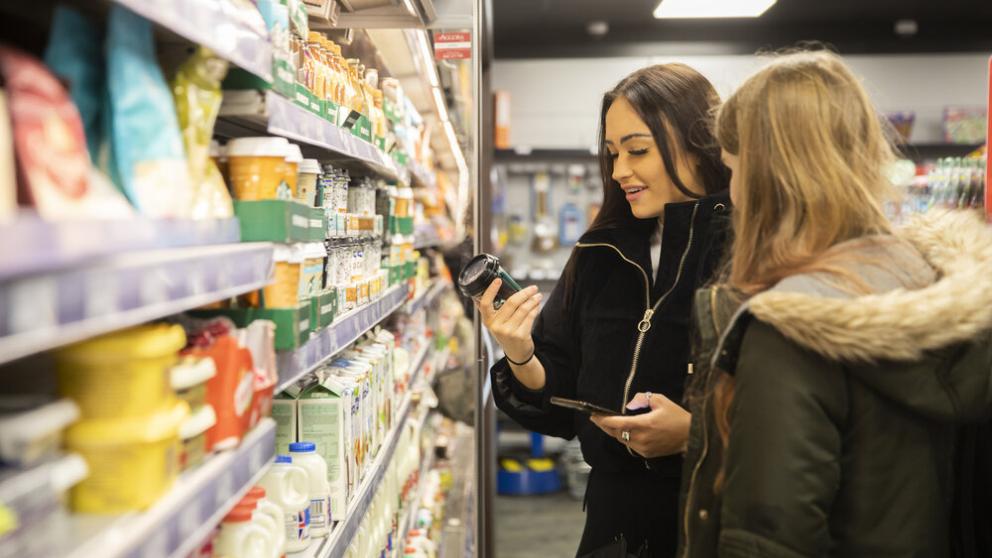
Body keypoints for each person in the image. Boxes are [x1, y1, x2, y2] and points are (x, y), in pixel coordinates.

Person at [665, 50, 992, 558]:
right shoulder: (939, 290)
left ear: (770, 176)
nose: (733, 193)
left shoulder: (790, 328)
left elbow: (767, 539)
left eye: (734, 169)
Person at [480, 63, 732, 557]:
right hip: (613, 525)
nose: (619, 171)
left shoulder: (748, 249)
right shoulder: (601, 252)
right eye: (614, 153)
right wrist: (520, 354)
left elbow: (786, 411)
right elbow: (560, 390)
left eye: (638, 150)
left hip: (712, 516)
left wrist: (695, 434)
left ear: (697, 143)